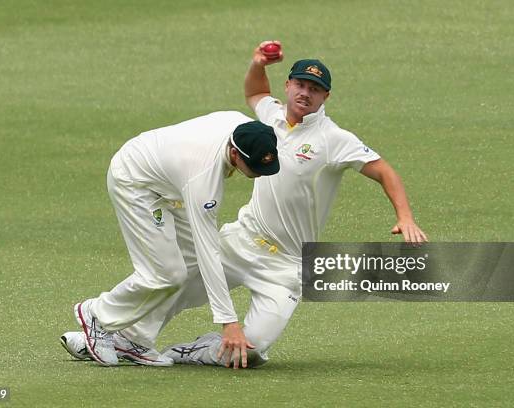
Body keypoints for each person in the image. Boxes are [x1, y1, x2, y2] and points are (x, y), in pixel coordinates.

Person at [61, 41, 427, 369]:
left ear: (326, 97)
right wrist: (257, 64)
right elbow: (255, 91)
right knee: (179, 276)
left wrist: (405, 216)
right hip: (244, 237)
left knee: (250, 352)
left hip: (287, 264)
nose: (305, 93)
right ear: (288, 86)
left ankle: (192, 351)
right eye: (300, 84)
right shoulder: (266, 118)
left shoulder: (335, 139)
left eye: (314, 89)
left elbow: (383, 171)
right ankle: (124, 336)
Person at [69, 111, 280, 367]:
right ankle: (97, 315)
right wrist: (229, 322)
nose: (260, 173)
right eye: (255, 167)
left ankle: (133, 339)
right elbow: (209, 251)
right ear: (235, 154)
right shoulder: (203, 181)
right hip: (136, 182)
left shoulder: (246, 128)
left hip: (171, 181)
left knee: (188, 264)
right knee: (166, 274)